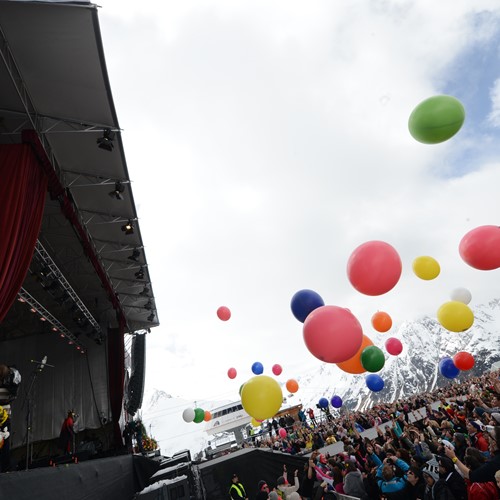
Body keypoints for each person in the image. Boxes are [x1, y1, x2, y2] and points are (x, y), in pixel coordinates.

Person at [0, 363, 21, 472]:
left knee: (4, 441)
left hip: (4, 413)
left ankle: (5, 467)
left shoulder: (13, 375)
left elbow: (13, 394)